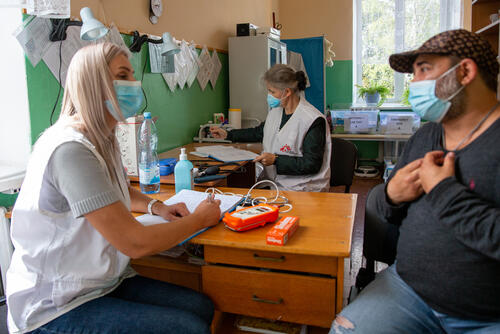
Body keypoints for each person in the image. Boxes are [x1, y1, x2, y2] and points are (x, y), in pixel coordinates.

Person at [6, 43, 221, 334]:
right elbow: (135, 242)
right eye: (123, 75)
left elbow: (114, 190)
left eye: (132, 74)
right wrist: (199, 219)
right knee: (189, 328)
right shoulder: (70, 150)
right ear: (94, 85)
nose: (135, 84)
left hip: (98, 283)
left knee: (201, 307)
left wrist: (156, 206)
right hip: (55, 306)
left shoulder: (102, 137)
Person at [331, 29, 500, 334]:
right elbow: (386, 211)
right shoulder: (425, 136)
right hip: (408, 291)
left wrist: (445, 192)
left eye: (424, 69)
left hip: (486, 314)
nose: (414, 83)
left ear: (465, 71)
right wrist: (391, 194)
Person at [210, 64, 331, 192]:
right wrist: (228, 134)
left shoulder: (312, 119)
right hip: (276, 184)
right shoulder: (276, 112)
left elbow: (311, 164)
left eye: (272, 91)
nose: (269, 96)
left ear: (287, 92)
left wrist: (276, 160)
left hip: (305, 188)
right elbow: (259, 132)